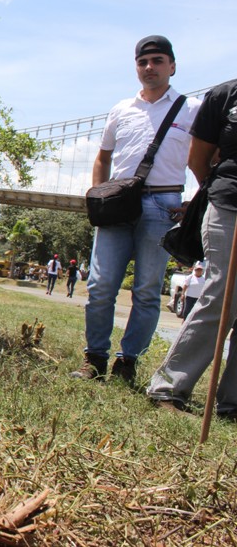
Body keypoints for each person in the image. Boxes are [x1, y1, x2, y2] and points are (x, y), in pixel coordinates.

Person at [69, 35, 199, 384]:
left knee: (146, 290)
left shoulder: (192, 108)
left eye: (157, 61)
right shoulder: (121, 109)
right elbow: (103, 156)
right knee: (100, 285)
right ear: (136, 67)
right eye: (143, 62)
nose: (149, 68)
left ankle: (128, 363)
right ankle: (94, 358)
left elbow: (209, 158)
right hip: (117, 205)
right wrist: (97, 193)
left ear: (172, 66)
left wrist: (195, 199)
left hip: (165, 205)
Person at [148, 78, 237, 420]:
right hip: (230, 202)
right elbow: (199, 159)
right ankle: (169, 388)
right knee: (222, 295)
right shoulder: (225, 95)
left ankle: (232, 404)